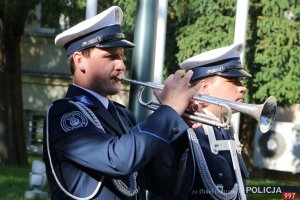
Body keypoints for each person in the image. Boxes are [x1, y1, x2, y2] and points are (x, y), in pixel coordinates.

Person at [42, 6, 201, 200]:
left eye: (122, 56)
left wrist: (178, 126)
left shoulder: (124, 115)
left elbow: (163, 184)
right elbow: (117, 160)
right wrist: (168, 113)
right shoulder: (64, 114)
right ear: (80, 61)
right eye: (111, 56)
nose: (122, 65)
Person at [148, 43, 251, 200]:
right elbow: (164, 190)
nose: (242, 88)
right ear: (205, 87)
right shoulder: (182, 132)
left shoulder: (224, 130)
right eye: (233, 80)